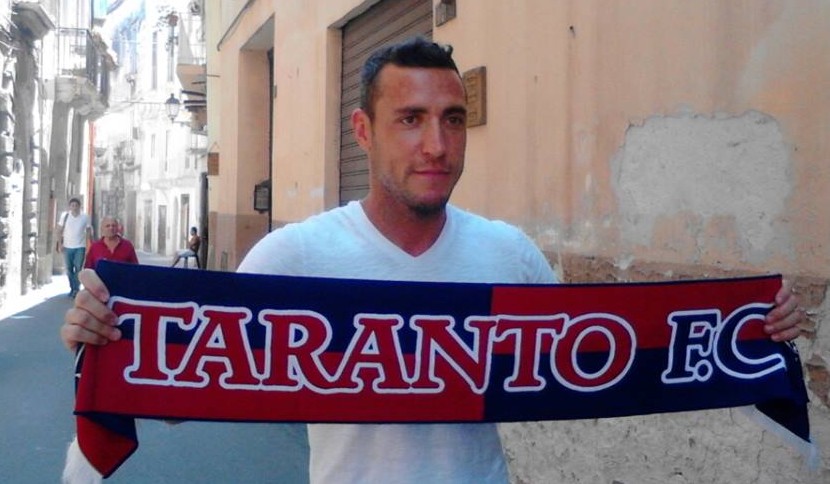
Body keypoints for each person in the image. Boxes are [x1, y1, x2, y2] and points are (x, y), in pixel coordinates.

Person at [61, 38, 806, 483]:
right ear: (363, 130)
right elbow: (186, 391)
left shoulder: (507, 254)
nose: (437, 145)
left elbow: (600, 357)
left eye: (453, 119)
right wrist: (103, 340)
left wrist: (750, 333)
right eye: (410, 120)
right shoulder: (295, 256)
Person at [56, 197, 93, 298]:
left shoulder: (85, 217)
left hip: (80, 247)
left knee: (78, 268)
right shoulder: (65, 216)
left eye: (76, 205)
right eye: (72, 205)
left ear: (79, 206)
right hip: (67, 247)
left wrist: (90, 244)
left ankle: (76, 289)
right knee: (69, 269)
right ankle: (72, 287)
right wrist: (60, 244)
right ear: (69, 207)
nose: (74, 207)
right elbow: (59, 230)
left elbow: (88, 231)